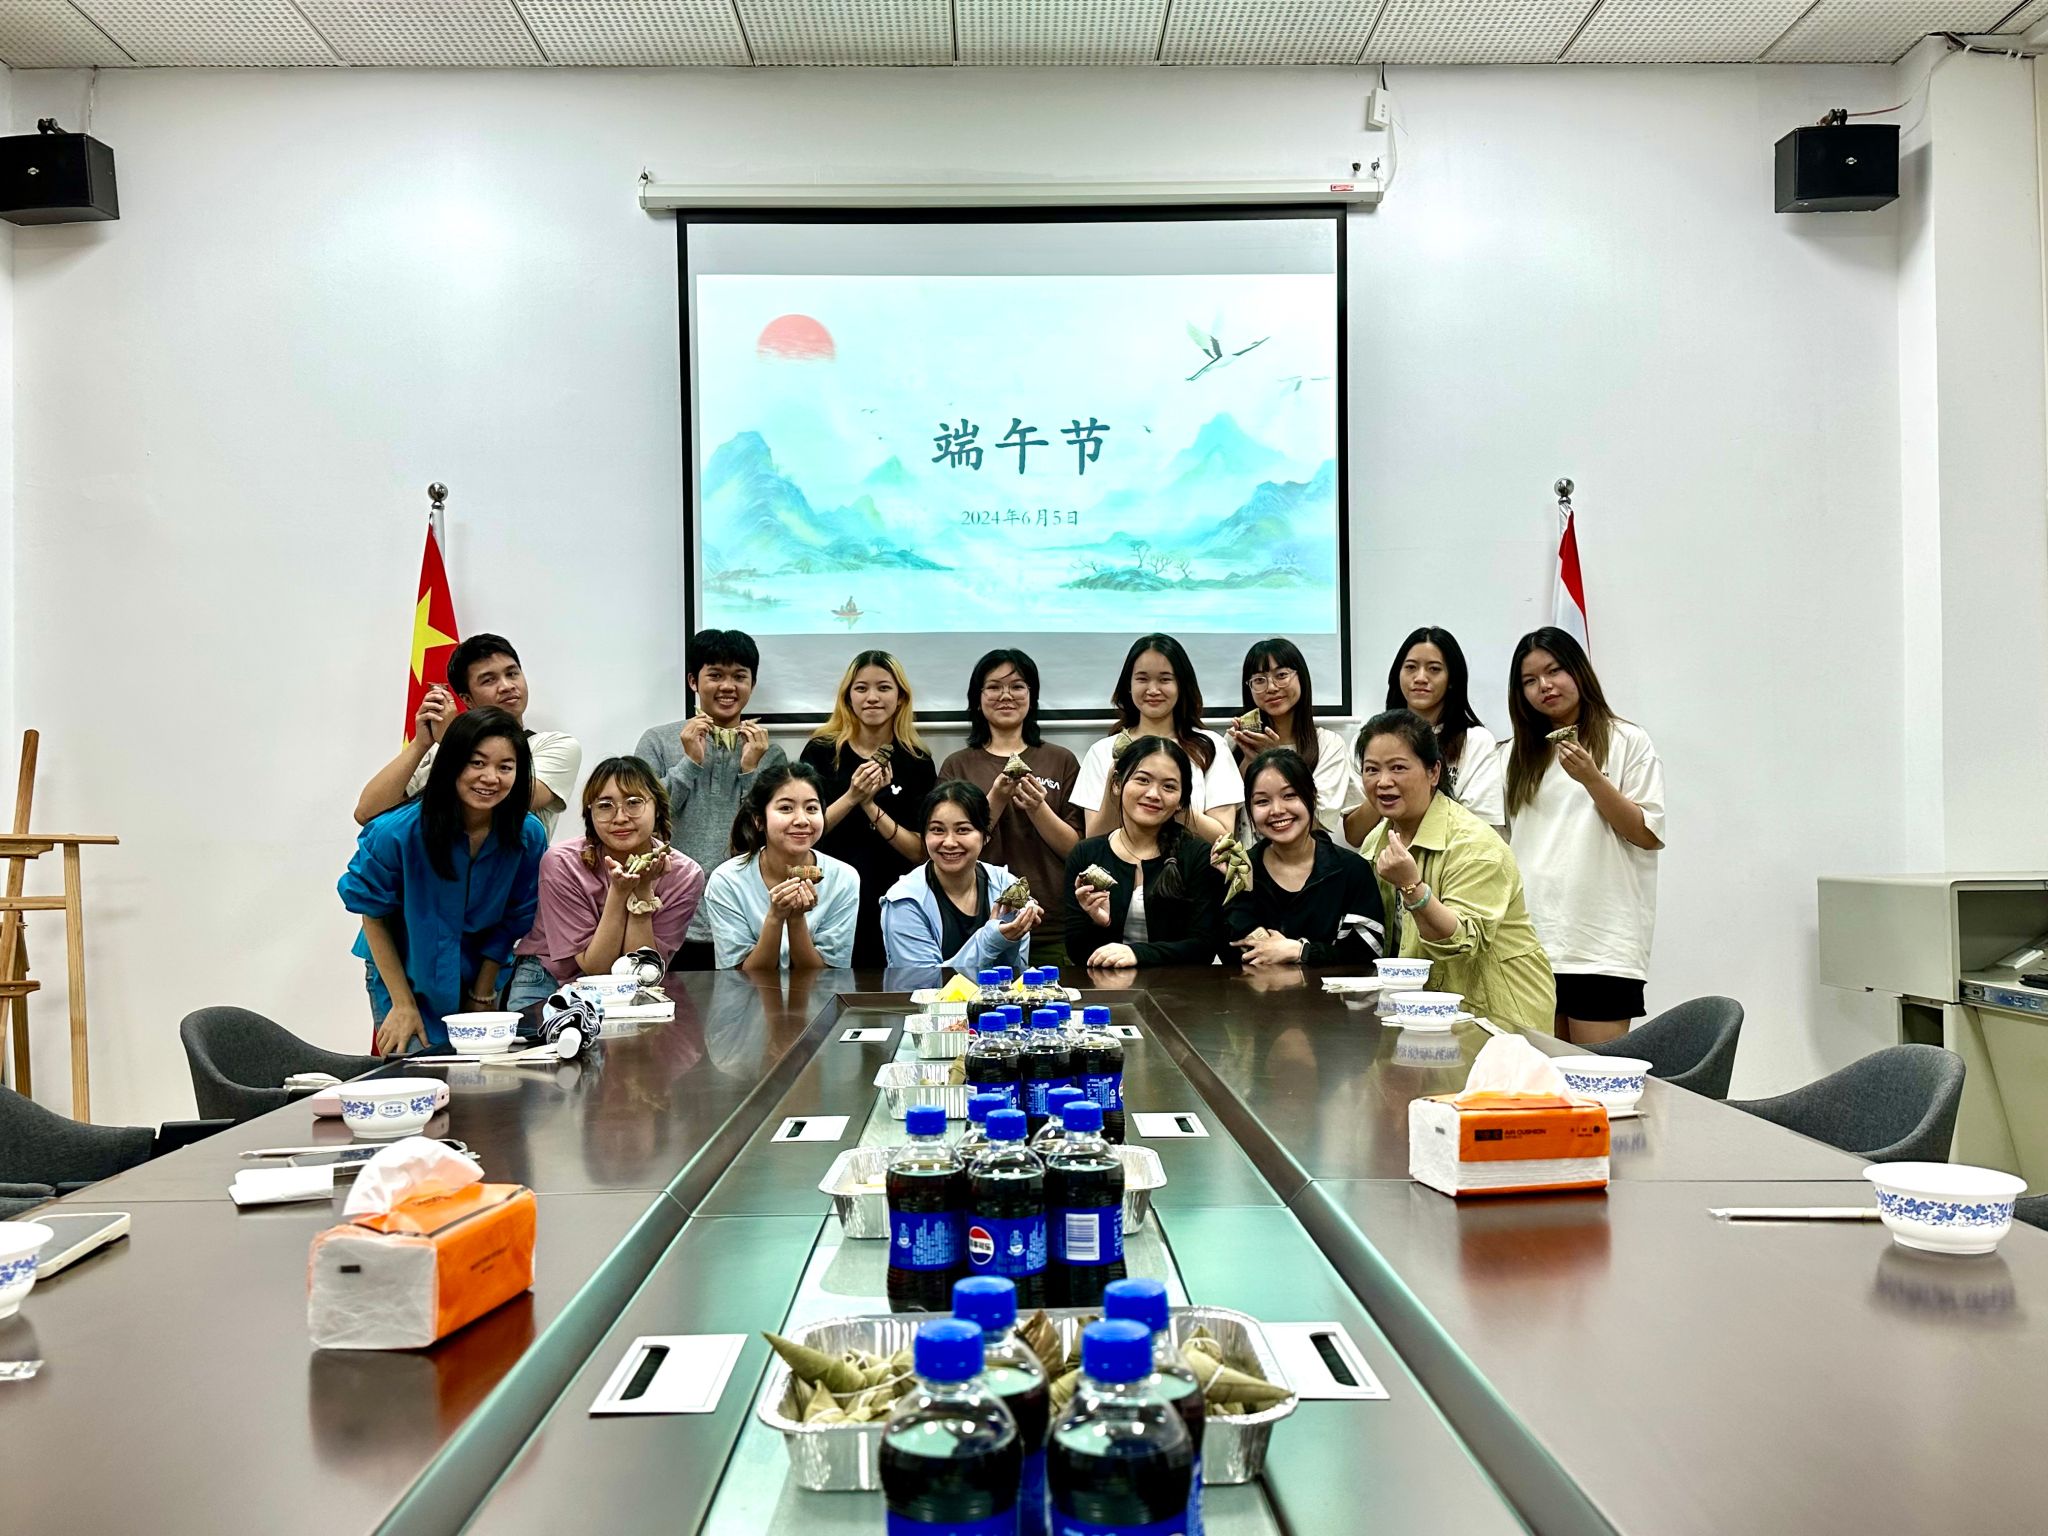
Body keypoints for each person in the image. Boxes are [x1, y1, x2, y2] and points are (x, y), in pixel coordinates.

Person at [338, 707, 549, 1052]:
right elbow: (373, 916)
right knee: (414, 1074)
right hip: (404, 975)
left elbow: (513, 919)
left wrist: (482, 993)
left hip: (477, 972)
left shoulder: (528, 834)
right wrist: (403, 1005)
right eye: (477, 762)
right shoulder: (396, 833)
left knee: (484, 1074)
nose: (490, 777)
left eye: (505, 767)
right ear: (451, 763)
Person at [1503, 628, 1666, 1044]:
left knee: (1593, 1075)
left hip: (1601, 944)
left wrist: (1593, 779)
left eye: (1554, 671)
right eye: (1529, 680)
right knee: (1541, 1075)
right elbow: (1497, 845)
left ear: (1579, 671)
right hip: (1530, 941)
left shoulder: (1627, 740)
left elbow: (1646, 833)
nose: (1544, 686)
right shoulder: (1513, 755)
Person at [1354, 710, 1555, 1036]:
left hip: (1500, 1018)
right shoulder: (1376, 842)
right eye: (1371, 769)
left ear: (1434, 772)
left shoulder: (1475, 844)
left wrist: (1412, 886)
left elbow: (1461, 942)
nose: (1383, 781)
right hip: (1425, 1015)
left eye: (1398, 768)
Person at [503, 757, 708, 1009]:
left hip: (633, 988)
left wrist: (643, 891)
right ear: (590, 814)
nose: (620, 817)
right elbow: (595, 967)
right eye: (605, 806)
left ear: (657, 807)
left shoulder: (685, 874)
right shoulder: (562, 863)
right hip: (549, 979)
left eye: (634, 802)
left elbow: (641, 971)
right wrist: (619, 892)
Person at [635, 629, 785, 970]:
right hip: (669, 913)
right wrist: (690, 762)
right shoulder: (658, 741)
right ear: (693, 680)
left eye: (739, 677)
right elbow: (643, 821)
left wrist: (750, 770)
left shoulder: (769, 753)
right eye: (715, 675)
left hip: (745, 916)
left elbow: (768, 833)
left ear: (752, 684)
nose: (727, 686)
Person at [937, 649, 1084, 967]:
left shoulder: (1060, 760)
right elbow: (945, 845)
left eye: (1017, 686)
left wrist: (1038, 809)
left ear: (1032, 696)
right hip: (979, 927)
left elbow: (1076, 851)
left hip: (1051, 927)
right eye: (994, 687)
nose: (1006, 695)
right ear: (978, 699)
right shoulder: (958, 765)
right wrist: (996, 798)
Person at [354, 632, 583, 836]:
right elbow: (367, 813)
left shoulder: (553, 745)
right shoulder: (436, 752)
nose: (506, 686)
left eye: (512, 673)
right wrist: (420, 744)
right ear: (467, 700)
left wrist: (451, 743)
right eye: (489, 680)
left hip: (512, 870)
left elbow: (504, 801)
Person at [800, 650, 937, 968]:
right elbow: (804, 834)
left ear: (900, 698)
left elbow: (920, 851)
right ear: (848, 697)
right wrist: (853, 796)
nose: (872, 697)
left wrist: (869, 804)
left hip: (896, 897)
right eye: (861, 688)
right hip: (829, 894)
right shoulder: (822, 752)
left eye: (884, 688)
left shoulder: (916, 760)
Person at [1063, 736, 1226, 970]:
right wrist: (1099, 923)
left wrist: (1137, 954)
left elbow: (1205, 946)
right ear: (1117, 784)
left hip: (1182, 988)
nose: (1153, 794)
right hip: (1109, 988)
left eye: (1169, 786)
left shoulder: (1197, 855)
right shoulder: (1086, 854)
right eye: (1142, 780)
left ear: (1182, 801)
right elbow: (1077, 952)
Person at [1221, 748, 1384, 968]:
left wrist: (1302, 951)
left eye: (1289, 795)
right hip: (1255, 990)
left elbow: (1367, 956)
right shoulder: (1241, 869)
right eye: (1262, 801)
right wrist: (1241, 889)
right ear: (1249, 810)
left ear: (1312, 796)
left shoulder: (1351, 870)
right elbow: (1232, 952)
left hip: (1331, 991)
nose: (1277, 810)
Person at [1074, 634, 1243, 842]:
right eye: (1142, 679)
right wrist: (1115, 783)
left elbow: (1225, 838)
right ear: (1129, 685)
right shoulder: (1102, 752)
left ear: (1181, 685)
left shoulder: (1211, 746)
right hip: (1122, 864)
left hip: (1194, 862)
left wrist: (1175, 804)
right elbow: (1094, 841)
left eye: (1165, 679)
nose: (1153, 690)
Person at [701, 762, 859, 972]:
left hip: (819, 993)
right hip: (748, 993)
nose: (802, 820)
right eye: (786, 808)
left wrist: (796, 920)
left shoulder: (843, 879)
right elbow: (738, 977)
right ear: (759, 821)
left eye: (812, 808)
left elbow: (827, 975)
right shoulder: (728, 881)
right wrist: (775, 917)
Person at [1350, 626, 1503, 841]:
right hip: (1383, 857)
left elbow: (1484, 829)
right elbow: (1354, 835)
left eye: (1434, 669)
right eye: (1411, 667)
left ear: (1452, 679)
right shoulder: (1370, 740)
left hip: (1452, 859)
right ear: (1397, 674)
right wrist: (1384, 785)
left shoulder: (1475, 741)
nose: (1421, 677)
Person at [880, 781, 1044, 973]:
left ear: (985, 835)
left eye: (963, 830)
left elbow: (1015, 975)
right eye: (937, 830)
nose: (949, 842)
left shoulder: (1006, 886)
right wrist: (990, 940)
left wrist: (1014, 933)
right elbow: (923, 982)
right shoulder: (905, 901)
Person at [1226, 638, 1364, 844]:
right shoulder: (1235, 741)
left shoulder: (1328, 744)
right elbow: (1224, 818)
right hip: (1246, 858)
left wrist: (1274, 760)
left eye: (1281, 675)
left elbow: (1318, 821)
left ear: (1301, 677)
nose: (1271, 687)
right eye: (1259, 680)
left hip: (1306, 860)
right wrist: (1247, 762)